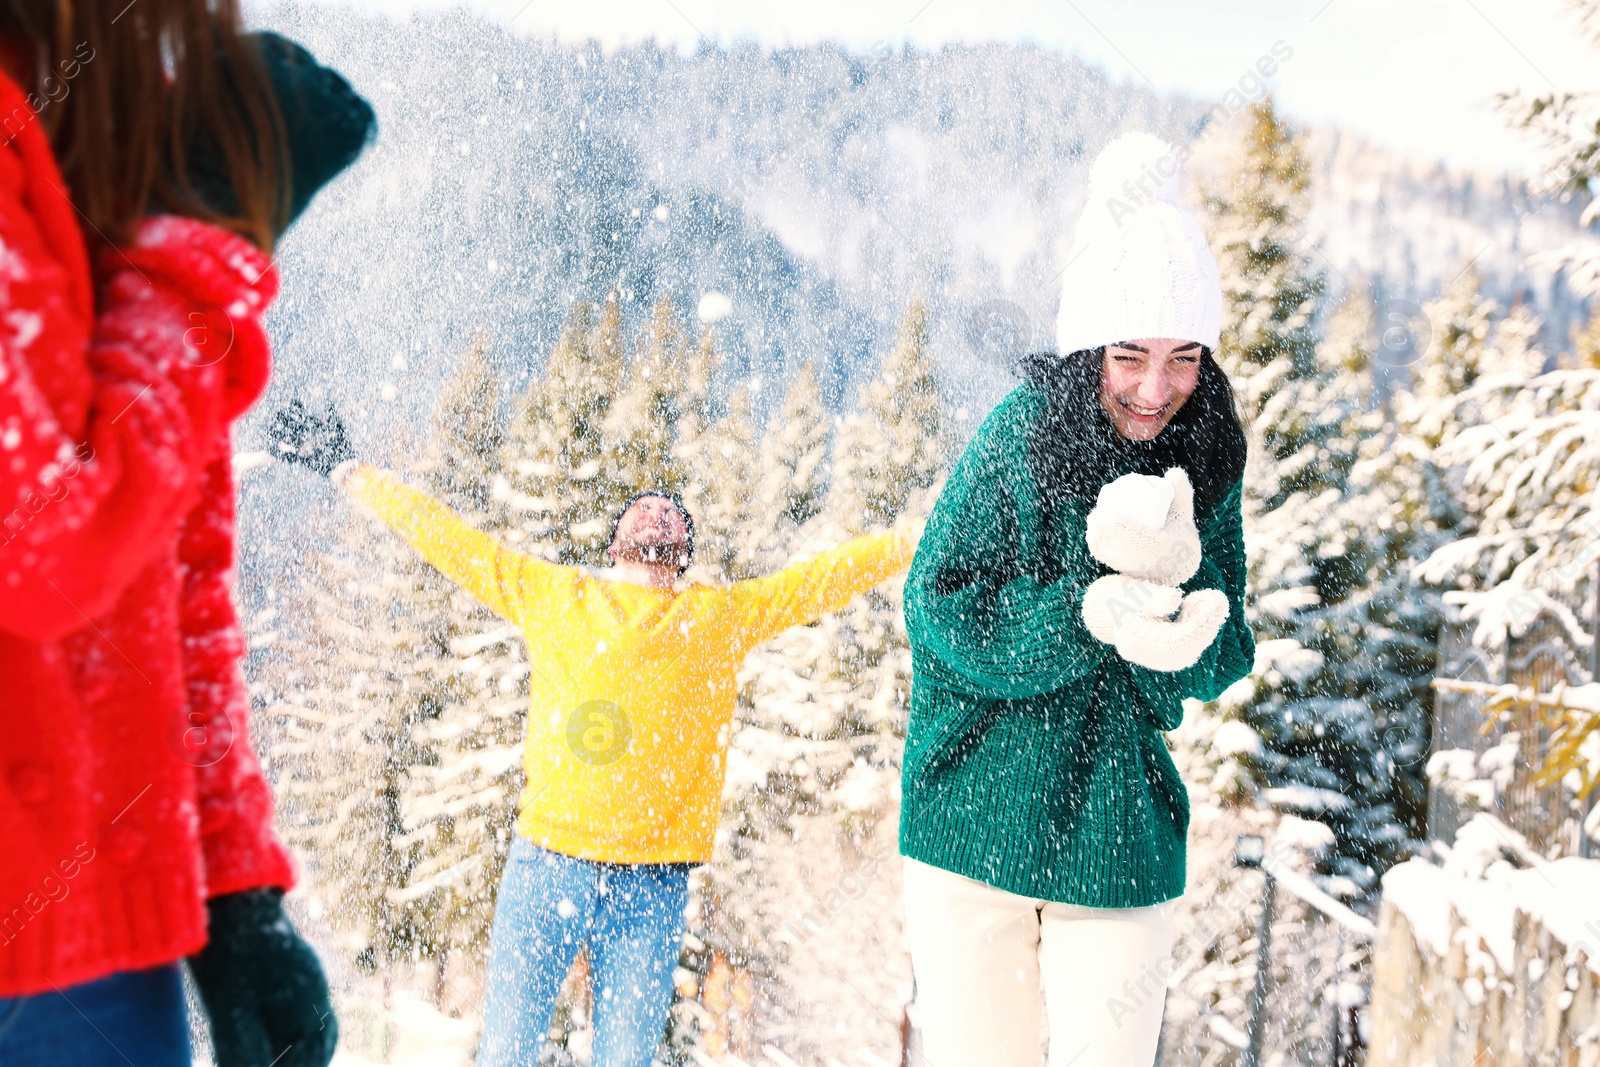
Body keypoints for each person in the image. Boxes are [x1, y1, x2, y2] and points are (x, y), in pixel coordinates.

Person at [267, 399, 920, 1066]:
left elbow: (821, 578)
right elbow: (449, 539)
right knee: (527, 1054)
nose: (659, 511)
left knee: (571, 1056)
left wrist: (914, 537)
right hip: (584, 869)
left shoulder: (673, 611)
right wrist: (349, 470)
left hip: (611, 875)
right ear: (635, 547)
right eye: (648, 509)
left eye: (667, 513)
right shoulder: (626, 607)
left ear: (656, 548)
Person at [0, 5, 374, 1066]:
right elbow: (40, 543)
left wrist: (235, 888)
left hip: (98, 947)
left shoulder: (102, 119)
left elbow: (166, 576)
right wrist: (202, 248)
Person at [897, 132, 1254, 1067]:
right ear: (1090, 342)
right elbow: (935, 607)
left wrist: (1184, 643)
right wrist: (1078, 615)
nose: (1155, 387)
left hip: (1116, 832)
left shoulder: (1207, 450)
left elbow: (1228, 638)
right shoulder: (1019, 436)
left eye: (1183, 358)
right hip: (973, 820)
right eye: (1130, 353)